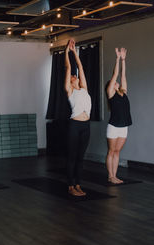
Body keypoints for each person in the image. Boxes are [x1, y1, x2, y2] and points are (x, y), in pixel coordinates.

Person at [64, 39, 91, 197]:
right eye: (73, 76)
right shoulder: (70, 91)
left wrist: (75, 51)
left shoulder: (84, 89)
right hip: (74, 126)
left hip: (86, 126)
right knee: (72, 157)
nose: (75, 75)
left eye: (76, 76)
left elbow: (80, 67)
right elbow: (69, 67)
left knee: (81, 158)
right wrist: (67, 51)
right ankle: (70, 186)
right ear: (71, 81)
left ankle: (78, 185)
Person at [105, 47, 131, 184]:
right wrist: (117, 59)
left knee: (117, 152)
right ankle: (110, 176)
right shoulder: (111, 94)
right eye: (113, 82)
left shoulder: (123, 92)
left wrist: (124, 60)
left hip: (124, 126)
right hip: (113, 127)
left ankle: (115, 175)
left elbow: (123, 76)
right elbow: (116, 74)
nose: (116, 81)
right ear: (110, 86)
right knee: (111, 151)